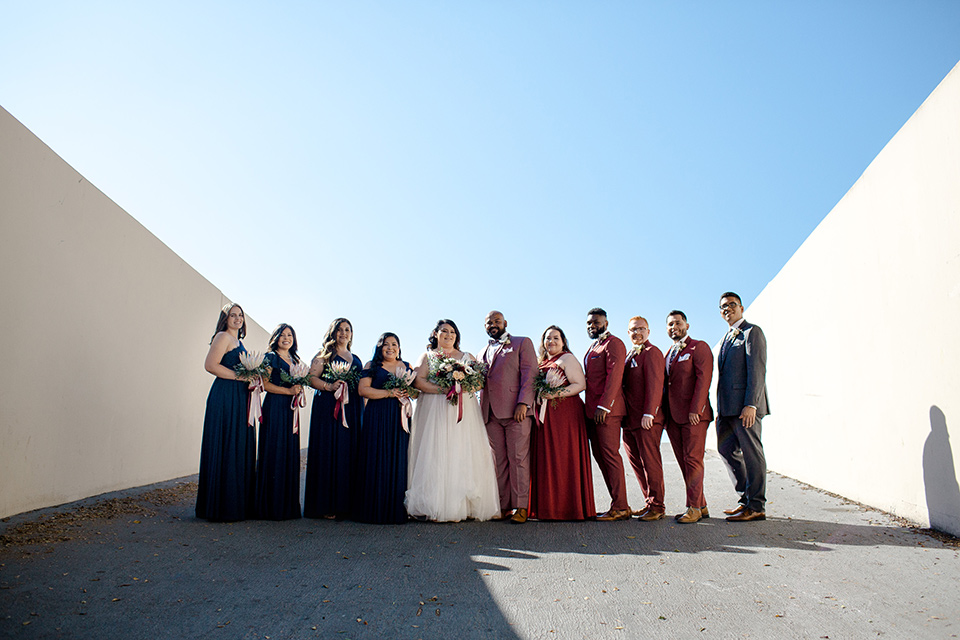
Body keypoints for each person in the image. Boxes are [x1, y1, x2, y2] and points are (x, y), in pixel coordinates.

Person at [406, 320, 500, 522]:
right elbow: (418, 381)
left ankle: (462, 504)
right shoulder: (427, 356)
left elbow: (479, 382)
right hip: (434, 410)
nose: (448, 335)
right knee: (435, 452)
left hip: (463, 410)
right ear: (435, 333)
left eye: (452, 332)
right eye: (444, 331)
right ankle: (433, 503)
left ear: (457, 336)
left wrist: (462, 387)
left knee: (462, 451)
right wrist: (443, 390)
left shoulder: (467, 357)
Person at [196, 303, 256, 521]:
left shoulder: (240, 342)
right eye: (233, 315)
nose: (238, 318)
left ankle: (235, 503)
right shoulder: (222, 337)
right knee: (226, 444)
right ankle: (221, 506)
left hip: (240, 399)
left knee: (237, 446)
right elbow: (210, 365)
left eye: (240, 315)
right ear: (225, 318)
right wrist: (241, 377)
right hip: (225, 398)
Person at [529, 326, 596, 521]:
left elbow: (580, 385)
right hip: (544, 416)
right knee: (546, 457)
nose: (551, 341)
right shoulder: (542, 362)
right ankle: (548, 507)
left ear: (563, 341)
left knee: (563, 457)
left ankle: (568, 508)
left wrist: (555, 394)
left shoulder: (567, 359)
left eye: (555, 338)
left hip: (565, 415)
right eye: (547, 338)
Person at [478, 311, 538, 523]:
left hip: (516, 411)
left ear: (505, 323)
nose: (493, 325)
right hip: (490, 413)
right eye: (489, 322)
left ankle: (521, 506)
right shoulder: (482, 351)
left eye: (496, 321)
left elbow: (530, 374)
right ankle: (503, 506)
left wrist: (524, 403)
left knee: (518, 459)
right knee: (498, 461)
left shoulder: (522, 343)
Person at [716, 292, 769, 522]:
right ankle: (745, 498)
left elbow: (757, 370)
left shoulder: (752, 332)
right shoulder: (727, 337)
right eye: (723, 306)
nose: (728, 308)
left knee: (751, 453)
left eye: (732, 304)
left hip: (745, 408)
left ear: (741, 307)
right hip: (726, 409)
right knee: (726, 450)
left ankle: (756, 505)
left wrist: (751, 404)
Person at [303, 318, 363, 520]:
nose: (343, 333)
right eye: (339, 330)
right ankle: (325, 505)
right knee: (327, 451)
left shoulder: (357, 360)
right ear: (333, 333)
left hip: (351, 411)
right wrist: (329, 387)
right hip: (328, 409)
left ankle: (345, 506)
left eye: (347, 330)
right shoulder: (323, 356)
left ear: (351, 334)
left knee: (348, 453)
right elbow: (311, 379)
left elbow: (360, 390)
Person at [354, 333, 413, 524]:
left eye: (394, 344)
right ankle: (373, 509)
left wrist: (408, 392)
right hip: (377, 416)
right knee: (376, 457)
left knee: (398, 458)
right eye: (386, 344)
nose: (390, 347)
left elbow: (416, 393)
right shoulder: (371, 366)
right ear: (379, 347)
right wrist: (389, 392)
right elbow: (363, 390)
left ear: (399, 347)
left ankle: (395, 509)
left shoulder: (406, 366)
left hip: (399, 418)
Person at [663, 310, 714, 524]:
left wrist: (697, 409)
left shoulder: (698, 347)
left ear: (687, 325)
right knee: (684, 461)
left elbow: (704, 379)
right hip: (673, 417)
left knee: (693, 460)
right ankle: (701, 505)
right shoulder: (668, 353)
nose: (674, 327)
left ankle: (692, 507)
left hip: (694, 415)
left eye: (677, 323)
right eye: (670, 324)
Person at [583, 308, 631, 521]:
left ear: (606, 322)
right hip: (592, 411)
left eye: (595, 322)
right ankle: (616, 503)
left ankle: (621, 506)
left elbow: (615, 376)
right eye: (588, 323)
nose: (591, 325)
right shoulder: (594, 346)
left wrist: (605, 406)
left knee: (610, 456)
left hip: (607, 412)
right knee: (600, 457)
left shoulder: (614, 343)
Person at [255, 323, 304, 520]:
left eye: (290, 335)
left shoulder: (294, 360)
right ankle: (270, 506)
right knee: (274, 451)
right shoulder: (271, 358)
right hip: (275, 407)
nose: (286, 338)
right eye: (282, 335)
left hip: (290, 410)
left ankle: (286, 506)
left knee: (289, 452)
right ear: (276, 337)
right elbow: (265, 385)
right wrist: (289, 391)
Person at [621, 316, 667, 521]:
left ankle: (657, 506)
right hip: (629, 420)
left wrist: (650, 412)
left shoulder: (652, 352)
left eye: (641, 329)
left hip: (646, 419)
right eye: (633, 329)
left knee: (650, 462)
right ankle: (649, 501)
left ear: (648, 331)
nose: (636, 333)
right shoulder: (629, 354)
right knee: (636, 463)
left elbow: (656, 384)